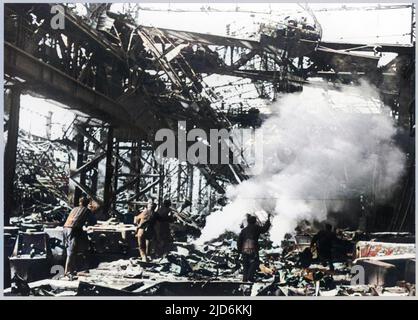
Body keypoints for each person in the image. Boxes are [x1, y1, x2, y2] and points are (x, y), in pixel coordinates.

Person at [63, 197, 97, 276]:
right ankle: (67, 272)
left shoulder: (74, 209)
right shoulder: (86, 210)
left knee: (74, 249)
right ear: (88, 203)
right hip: (73, 229)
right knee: (72, 251)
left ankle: (75, 269)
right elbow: (93, 222)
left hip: (65, 228)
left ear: (79, 202)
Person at [237, 213, 271, 282]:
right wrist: (268, 221)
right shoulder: (256, 228)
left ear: (248, 222)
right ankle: (250, 276)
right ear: (255, 221)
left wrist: (239, 250)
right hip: (253, 247)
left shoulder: (244, 230)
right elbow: (264, 229)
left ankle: (245, 279)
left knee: (246, 264)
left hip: (245, 248)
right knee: (255, 262)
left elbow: (239, 241)